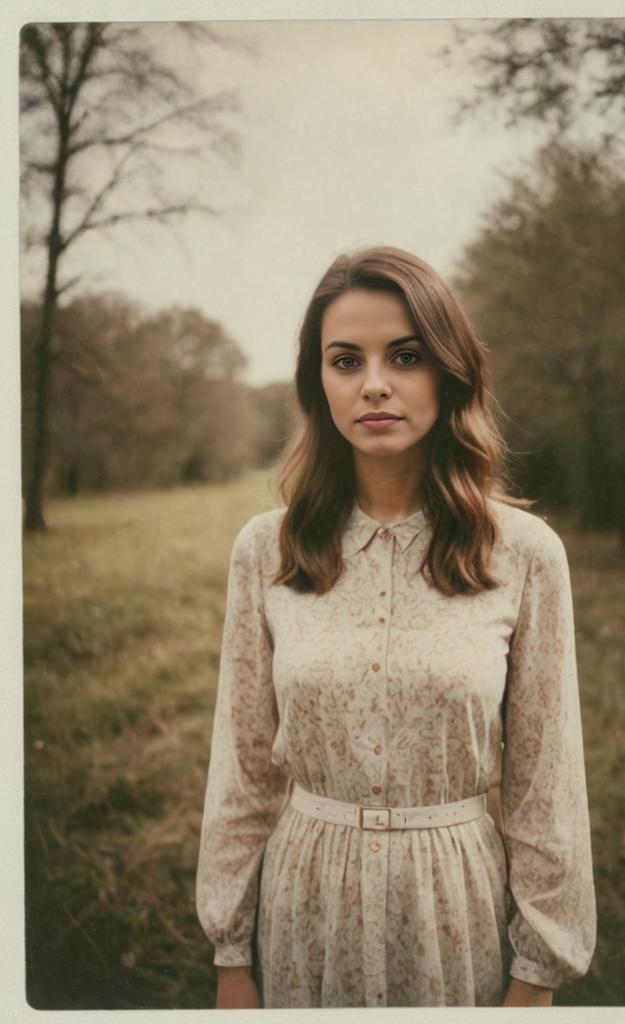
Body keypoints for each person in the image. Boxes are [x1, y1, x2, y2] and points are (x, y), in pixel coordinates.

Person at [195, 245, 596, 1008]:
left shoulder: (526, 556)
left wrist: (537, 975)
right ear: (319, 382)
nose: (374, 384)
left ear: (449, 372)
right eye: (345, 360)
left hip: (454, 906)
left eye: (405, 356)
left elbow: (547, 788)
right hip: (304, 899)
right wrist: (230, 955)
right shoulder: (266, 550)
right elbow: (242, 769)